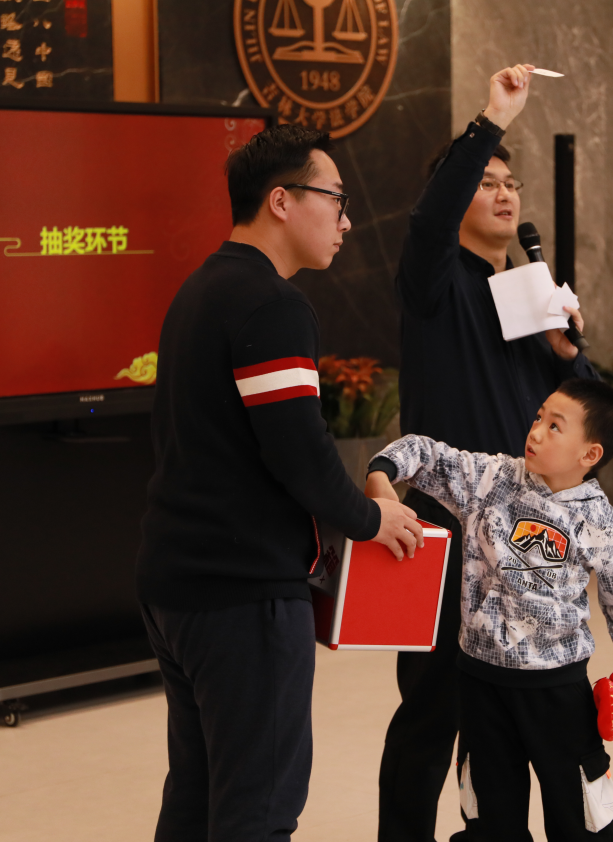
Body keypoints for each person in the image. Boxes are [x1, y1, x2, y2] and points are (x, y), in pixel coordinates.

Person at [136, 125, 425, 842]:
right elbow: (298, 449)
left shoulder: (202, 288)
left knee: (197, 795)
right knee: (257, 810)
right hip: (243, 592)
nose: (347, 221)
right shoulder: (271, 304)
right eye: (336, 199)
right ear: (281, 201)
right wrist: (370, 518)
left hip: (177, 582)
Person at [376, 63, 601, 842]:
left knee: (509, 716)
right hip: (446, 536)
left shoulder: (525, 297)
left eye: (512, 184)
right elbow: (428, 221)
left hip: (526, 543)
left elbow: (585, 421)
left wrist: (567, 352)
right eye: (485, 182)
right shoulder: (433, 285)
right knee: (431, 709)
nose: (505, 194)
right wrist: (491, 121)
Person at [366, 378, 613, 841]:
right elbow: (422, 450)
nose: (535, 431)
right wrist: (381, 476)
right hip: (479, 684)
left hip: (557, 690)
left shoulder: (603, 523)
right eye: (539, 417)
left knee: (580, 813)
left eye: (555, 426)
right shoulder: (491, 479)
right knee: (489, 815)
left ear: (590, 454)